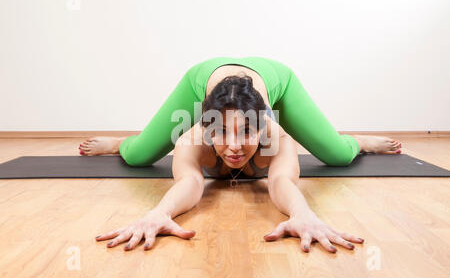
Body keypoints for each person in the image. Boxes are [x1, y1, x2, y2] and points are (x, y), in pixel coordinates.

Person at [82, 56, 402, 252]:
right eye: (220, 131)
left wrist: (302, 214)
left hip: (276, 78)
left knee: (338, 155)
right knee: (138, 156)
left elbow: (280, 182)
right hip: (202, 78)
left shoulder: (277, 137)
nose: (234, 146)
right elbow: (190, 181)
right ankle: (119, 142)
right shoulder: (192, 138)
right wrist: (160, 213)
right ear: (206, 124)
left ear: (264, 126)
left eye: (246, 131)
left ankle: (355, 141)